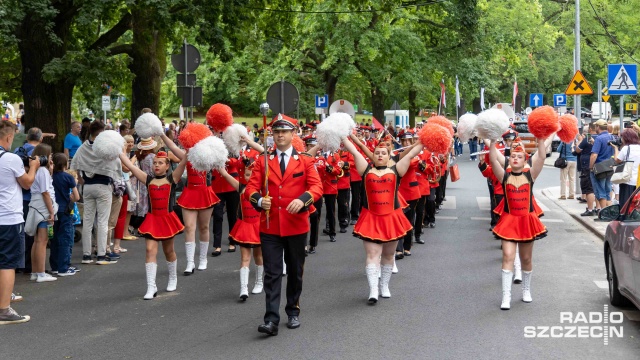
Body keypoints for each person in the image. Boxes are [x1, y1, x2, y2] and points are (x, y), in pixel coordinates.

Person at [246, 115, 322, 336]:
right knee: (272, 272)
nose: (280, 135)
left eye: (284, 132)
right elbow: (250, 189)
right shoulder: (263, 161)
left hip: (296, 225)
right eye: (276, 132)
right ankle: (271, 319)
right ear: (272, 135)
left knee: (296, 271)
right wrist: (260, 201)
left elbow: (317, 188)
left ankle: (293, 310)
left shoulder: (306, 160)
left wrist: (303, 199)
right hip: (270, 225)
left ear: (293, 134)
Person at [341, 136, 423, 303]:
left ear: (388, 155)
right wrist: (342, 134)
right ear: (373, 155)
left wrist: (427, 138)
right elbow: (354, 151)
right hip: (370, 217)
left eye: (383, 153)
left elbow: (412, 152)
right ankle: (373, 290)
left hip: (391, 218)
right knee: (372, 254)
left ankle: (384, 285)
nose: (379, 155)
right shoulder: (366, 170)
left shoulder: (396, 170)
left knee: (389, 254)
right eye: (377, 153)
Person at [120, 151, 187, 299]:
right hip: (152, 219)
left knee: (168, 251)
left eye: (160, 163)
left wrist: (190, 149)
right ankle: (151, 287)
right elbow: (130, 165)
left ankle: (173, 277)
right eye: (155, 163)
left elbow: (183, 161)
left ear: (167, 166)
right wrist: (117, 150)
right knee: (150, 250)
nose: (156, 165)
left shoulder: (172, 178)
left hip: (167, 220)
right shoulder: (148, 179)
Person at [490, 138, 547, 310]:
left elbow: (542, 157)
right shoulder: (504, 175)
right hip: (508, 220)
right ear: (509, 159)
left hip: (526, 221)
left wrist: (542, 138)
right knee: (508, 256)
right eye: (513, 156)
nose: (515, 158)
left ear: (525, 160)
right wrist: (492, 140)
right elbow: (493, 160)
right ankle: (506, 296)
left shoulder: (531, 175)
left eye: (519, 156)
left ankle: (526, 290)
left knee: (526, 259)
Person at [0, 121, 39, 325]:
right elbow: (27, 182)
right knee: (7, 264)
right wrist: (33, 167)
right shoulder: (11, 159)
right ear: (8, 137)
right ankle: (4, 309)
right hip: (8, 217)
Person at [71, 121, 123, 265]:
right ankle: (101, 254)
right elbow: (117, 167)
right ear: (101, 133)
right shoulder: (105, 149)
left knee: (87, 222)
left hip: (87, 186)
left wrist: (82, 180)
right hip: (103, 186)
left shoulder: (83, 147)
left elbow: (74, 165)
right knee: (102, 221)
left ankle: (86, 255)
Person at [219, 162, 264, 301]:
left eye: (251, 174)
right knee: (244, 258)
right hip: (245, 227)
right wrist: (218, 162)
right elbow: (225, 174)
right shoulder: (241, 188)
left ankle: (259, 282)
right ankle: (243, 288)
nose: (248, 177)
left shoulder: (264, 189)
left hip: (259, 227)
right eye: (246, 174)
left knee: (259, 257)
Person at [25, 144, 57, 283]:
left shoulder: (37, 170)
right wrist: (51, 212)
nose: (51, 158)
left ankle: (35, 271)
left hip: (36, 205)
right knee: (42, 241)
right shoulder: (43, 171)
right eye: (50, 155)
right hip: (43, 207)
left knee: (37, 241)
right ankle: (41, 273)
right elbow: (45, 192)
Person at [50, 153, 80, 276]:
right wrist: (72, 199)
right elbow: (77, 196)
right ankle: (64, 267)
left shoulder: (51, 177)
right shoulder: (68, 177)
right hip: (65, 210)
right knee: (65, 238)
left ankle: (55, 266)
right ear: (65, 164)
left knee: (55, 238)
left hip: (53, 209)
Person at [589, 120, 615, 210]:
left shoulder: (599, 139)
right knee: (608, 190)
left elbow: (594, 155)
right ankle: (609, 211)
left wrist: (591, 167)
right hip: (609, 167)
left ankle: (603, 212)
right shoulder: (611, 137)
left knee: (600, 191)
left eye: (596, 126)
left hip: (599, 168)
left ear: (598, 127)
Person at [613, 128, 640, 207]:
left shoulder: (626, 148)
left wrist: (616, 148)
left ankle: (625, 217)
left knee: (625, 202)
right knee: (635, 202)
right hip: (638, 180)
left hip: (627, 179)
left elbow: (617, 160)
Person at [576, 123, 598, 216]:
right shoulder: (600, 138)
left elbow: (577, 150)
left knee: (588, 189)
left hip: (587, 166)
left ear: (590, 129)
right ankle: (598, 208)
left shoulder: (588, 139)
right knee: (597, 188)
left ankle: (590, 209)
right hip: (599, 166)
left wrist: (580, 140)